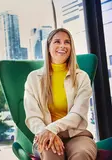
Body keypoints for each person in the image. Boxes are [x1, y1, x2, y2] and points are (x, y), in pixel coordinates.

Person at [24, 28, 97, 160]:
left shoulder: (82, 77)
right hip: (44, 134)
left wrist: (52, 129)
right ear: (48, 47)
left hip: (76, 135)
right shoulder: (33, 78)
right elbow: (32, 116)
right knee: (52, 156)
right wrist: (46, 132)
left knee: (82, 154)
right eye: (57, 41)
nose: (62, 46)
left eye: (67, 42)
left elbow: (77, 114)